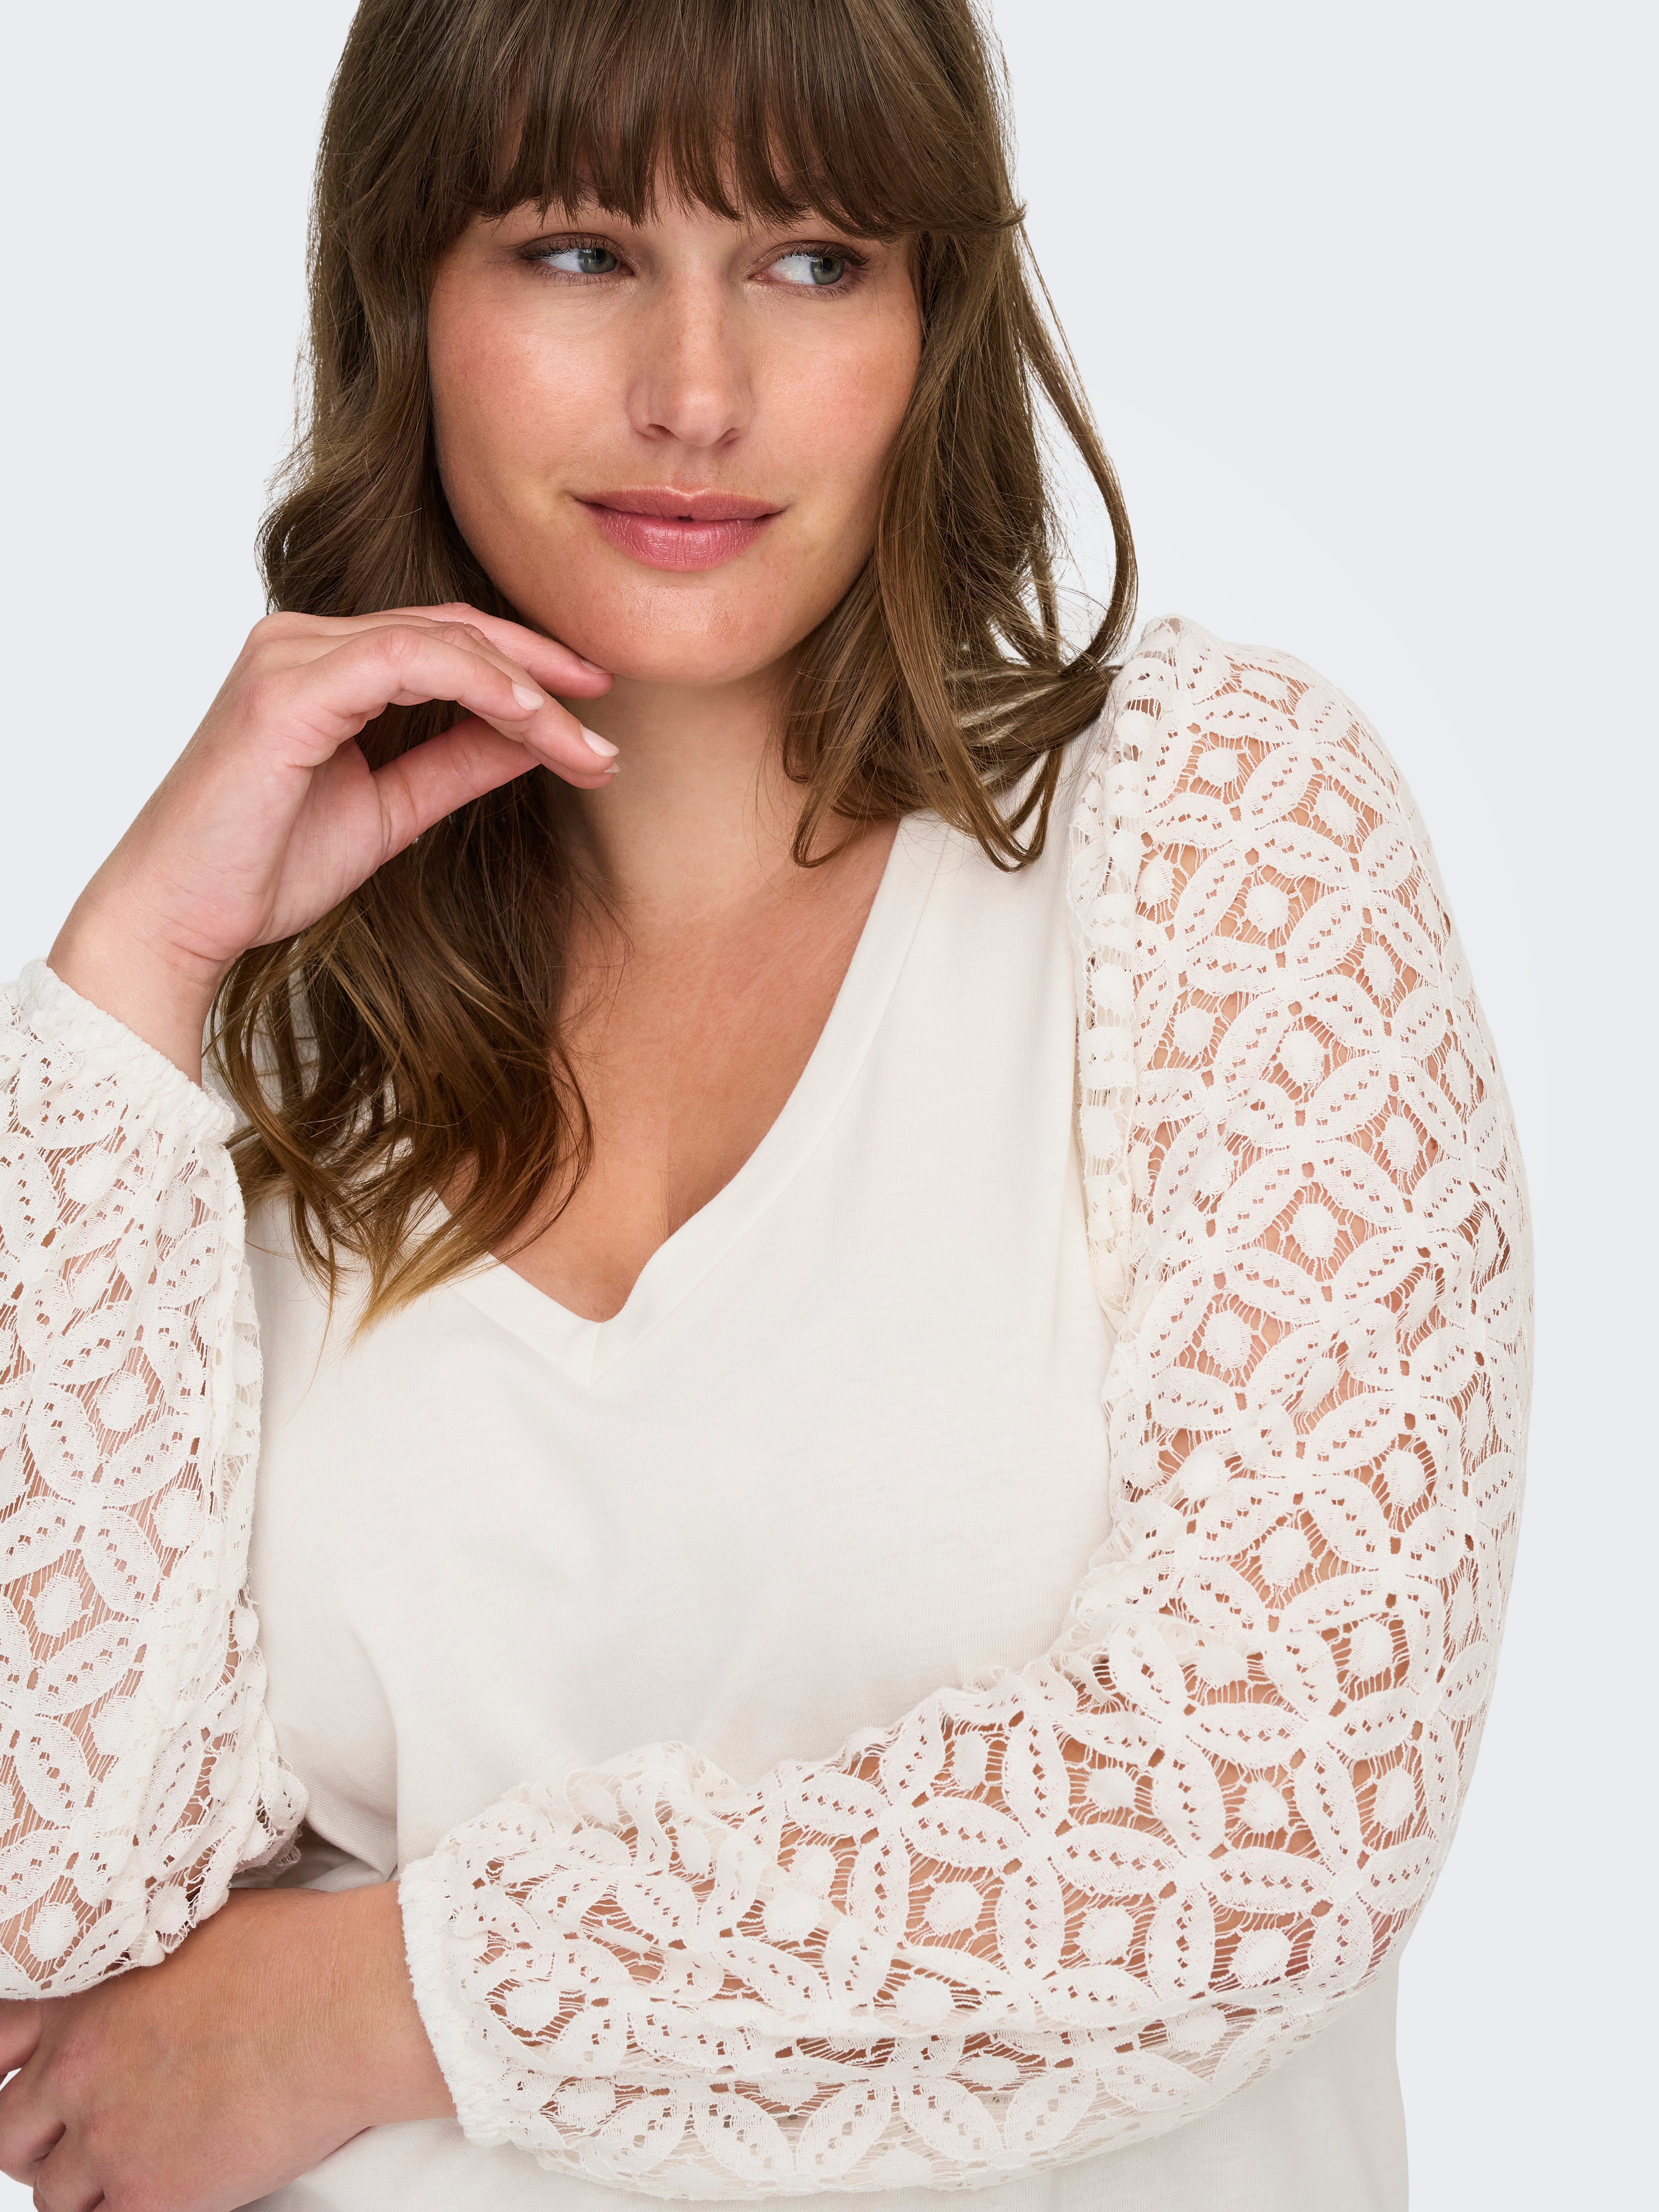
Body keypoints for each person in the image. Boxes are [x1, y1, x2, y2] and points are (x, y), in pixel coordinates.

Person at [0, 0, 1531, 2206]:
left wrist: (388, 1999)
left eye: (812, 260)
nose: (695, 393)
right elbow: (51, 1930)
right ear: (403, 294)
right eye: (578, 251)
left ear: (935, 322)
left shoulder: (1216, 841)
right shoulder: (254, 1048)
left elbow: (1269, 1822)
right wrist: (133, 977)